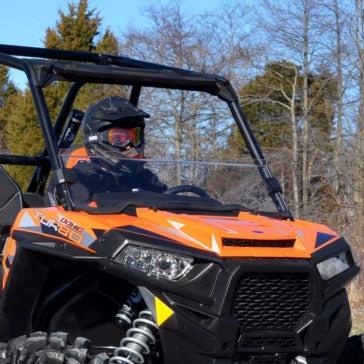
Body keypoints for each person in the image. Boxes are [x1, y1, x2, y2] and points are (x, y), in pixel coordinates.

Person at [65, 96, 167, 205]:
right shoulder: (82, 177)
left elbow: (169, 204)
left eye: (134, 137)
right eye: (118, 138)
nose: (129, 146)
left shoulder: (145, 179)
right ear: (96, 138)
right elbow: (79, 216)